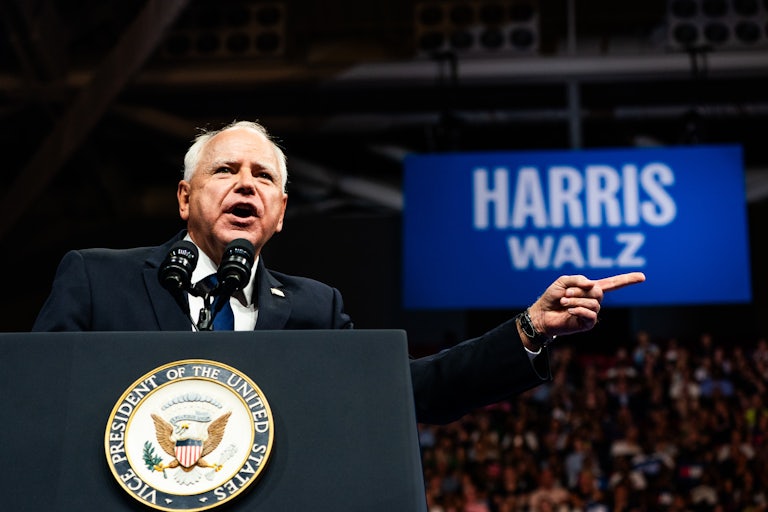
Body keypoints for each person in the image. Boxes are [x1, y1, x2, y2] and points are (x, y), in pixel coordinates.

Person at [32, 120, 645, 424]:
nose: (246, 184)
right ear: (185, 198)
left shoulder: (312, 309)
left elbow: (410, 392)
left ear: (279, 214)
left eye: (263, 177)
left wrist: (532, 327)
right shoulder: (95, 278)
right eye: (226, 171)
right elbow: (36, 402)